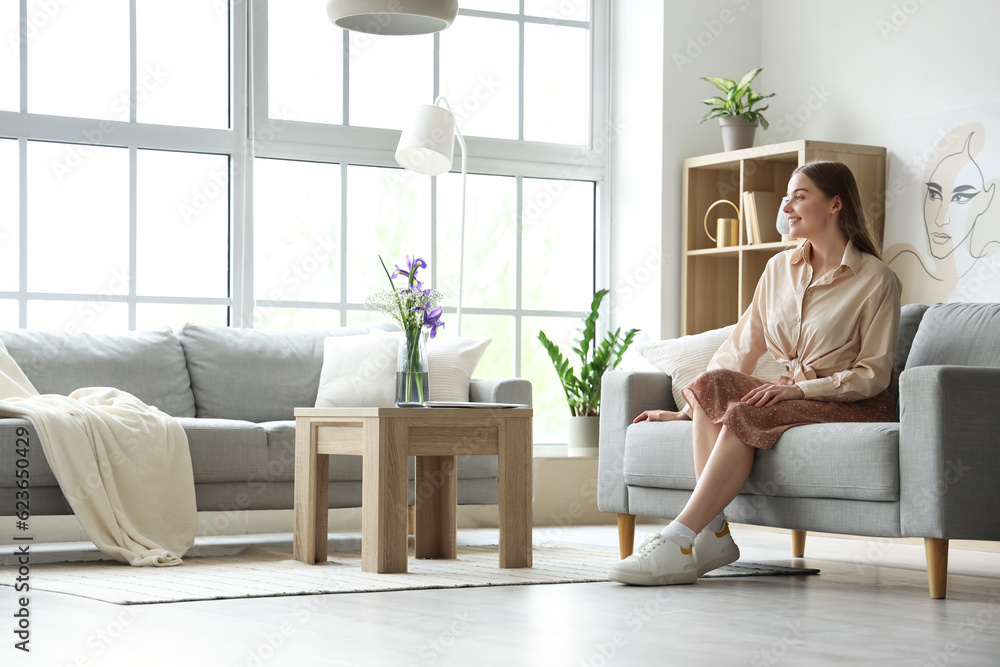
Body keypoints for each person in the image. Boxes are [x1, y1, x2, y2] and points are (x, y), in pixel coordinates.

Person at [609, 160, 902, 586]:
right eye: (787, 197)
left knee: (748, 411)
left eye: (799, 196)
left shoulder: (878, 280)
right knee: (714, 384)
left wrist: (800, 391)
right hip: (793, 395)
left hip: (855, 404)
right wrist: (690, 411)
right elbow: (740, 349)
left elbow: (873, 375)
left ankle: (681, 534)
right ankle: (715, 532)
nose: (787, 206)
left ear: (836, 203)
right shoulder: (778, 269)